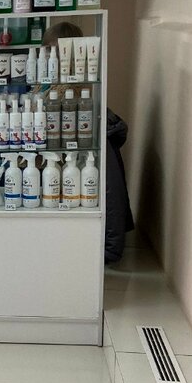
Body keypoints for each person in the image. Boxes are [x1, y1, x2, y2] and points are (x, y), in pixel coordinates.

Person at [43, 21, 133, 263]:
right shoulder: (48, 82)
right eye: (47, 50)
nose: (51, 57)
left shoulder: (76, 92)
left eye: (57, 51)